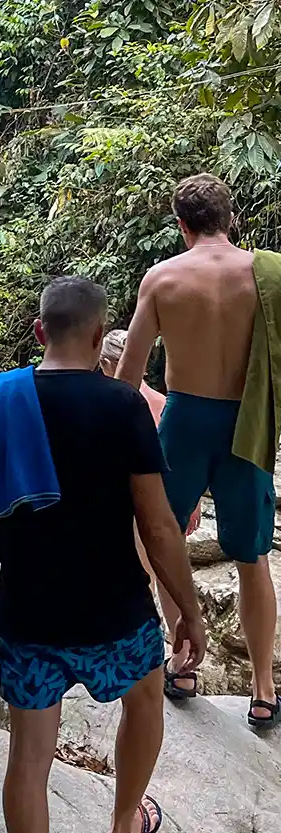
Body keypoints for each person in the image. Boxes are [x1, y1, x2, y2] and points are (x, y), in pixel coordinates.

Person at [0, 276, 205, 833]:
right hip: (115, 610)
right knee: (146, 697)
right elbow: (157, 526)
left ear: (40, 333)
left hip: (29, 614)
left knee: (29, 760)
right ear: (101, 340)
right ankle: (126, 825)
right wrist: (186, 608)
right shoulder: (122, 404)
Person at [116, 173, 280, 727]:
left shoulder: (162, 279)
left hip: (184, 422)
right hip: (247, 425)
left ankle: (182, 661)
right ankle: (263, 690)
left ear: (181, 225)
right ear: (230, 218)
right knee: (252, 558)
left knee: (158, 540)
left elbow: (128, 376)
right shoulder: (267, 275)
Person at [100, 330, 201, 594]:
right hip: (169, 502)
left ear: (107, 364)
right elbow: (187, 455)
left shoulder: (109, 407)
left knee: (137, 578)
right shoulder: (165, 402)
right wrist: (195, 503)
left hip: (127, 503)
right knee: (167, 576)